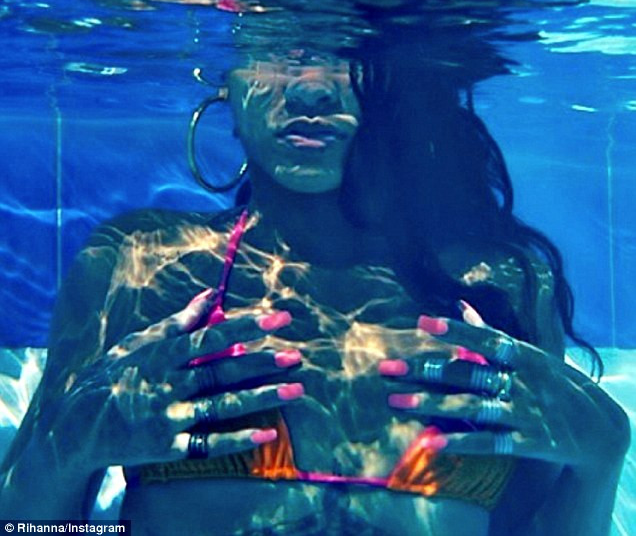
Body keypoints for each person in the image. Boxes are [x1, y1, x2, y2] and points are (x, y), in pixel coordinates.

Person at [0, 31, 629, 535]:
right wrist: (64, 452)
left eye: (346, 54)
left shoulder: (496, 288)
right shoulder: (143, 267)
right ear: (226, 83)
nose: (309, 88)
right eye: (276, 51)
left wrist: (602, 457)